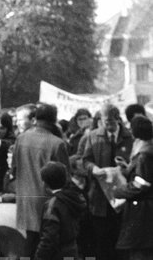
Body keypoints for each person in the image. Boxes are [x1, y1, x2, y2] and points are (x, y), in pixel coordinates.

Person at [77, 103, 133, 260]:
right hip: (99, 196)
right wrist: (93, 169)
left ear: (118, 120)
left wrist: (126, 168)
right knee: (102, 242)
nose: (107, 125)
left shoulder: (130, 137)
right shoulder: (93, 136)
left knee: (121, 243)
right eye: (104, 121)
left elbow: (135, 164)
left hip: (122, 197)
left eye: (110, 122)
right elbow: (85, 160)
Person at [13, 103, 69, 258]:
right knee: (47, 249)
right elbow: (66, 178)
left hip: (26, 202)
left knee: (29, 246)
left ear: (35, 118)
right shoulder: (57, 143)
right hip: (49, 204)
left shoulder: (21, 138)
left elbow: (14, 169)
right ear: (54, 119)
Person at [113, 114, 153, 260]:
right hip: (146, 210)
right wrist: (128, 169)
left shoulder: (145, 155)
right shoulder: (147, 150)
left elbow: (141, 184)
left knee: (140, 253)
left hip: (143, 211)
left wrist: (119, 191)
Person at [34, 161, 84, 260]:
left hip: (57, 255)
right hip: (73, 251)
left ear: (46, 184)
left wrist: (39, 257)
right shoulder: (74, 198)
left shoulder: (52, 205)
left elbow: (49, 238)